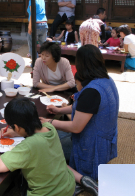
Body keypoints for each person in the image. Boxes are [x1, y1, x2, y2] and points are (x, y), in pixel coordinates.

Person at [43, 44, 118, 183]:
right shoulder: (106, 80)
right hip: (105, 141)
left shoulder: (92, 91)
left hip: (91, 147)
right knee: (53, 135)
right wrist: (59, 110)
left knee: (44, 143)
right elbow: (85, 109)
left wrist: (50, 122)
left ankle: (78, 179)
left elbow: (76, 127)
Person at [0, 98, 79, 196]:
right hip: (68, 187)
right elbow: (34, 131)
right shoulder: (49, 127)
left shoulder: (29, 145)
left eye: (11, 126)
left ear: (17, 127)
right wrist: (15, 132)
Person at [24, 0, 48, 67]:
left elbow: (32, 16)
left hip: (35, 25)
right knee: (44, 46)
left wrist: (29, 27)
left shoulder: (32, 1)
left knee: (32, 45)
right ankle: (46, 62)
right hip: (44, 24)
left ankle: (35, 63)